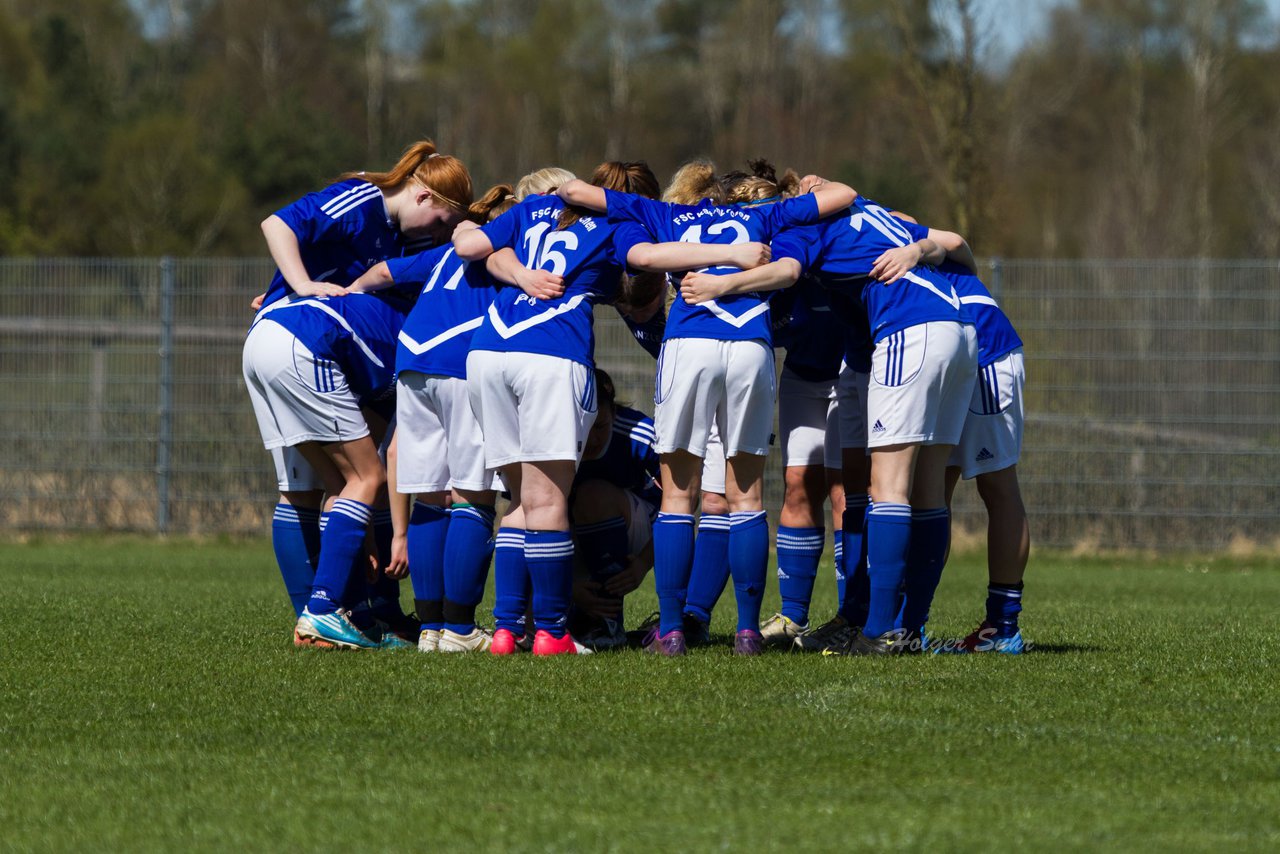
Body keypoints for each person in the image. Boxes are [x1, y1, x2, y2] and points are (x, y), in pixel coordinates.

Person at [458, 160, 771, 656]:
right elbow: (646, 257)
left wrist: (516, 271)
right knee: (557, 501)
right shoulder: (625, 225)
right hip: (555, 355)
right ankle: (556, 631)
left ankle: (506, 627)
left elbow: (471, 246)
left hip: (487, 353)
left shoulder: (533, 211)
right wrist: (732, 255)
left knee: (518, 499)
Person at [559, 160, 857, 655]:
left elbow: (580, 193)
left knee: (679, 497)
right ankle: (745, 632)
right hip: (749, 348)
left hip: (689, 344)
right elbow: (842, 193)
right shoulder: (766, 217)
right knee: (747, 497)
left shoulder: (667, 216)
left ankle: (673, 630)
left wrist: (555, 195)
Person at [680, 193, 977, 654]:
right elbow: (954, 244)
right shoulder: (874, 212)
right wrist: (917, 251)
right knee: (929, 487)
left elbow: (789, 271)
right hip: (960, 329)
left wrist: (721, 286)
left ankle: (880, 631)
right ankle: (909, 627)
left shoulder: (802, 224)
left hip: (908, 327)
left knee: (889, 487)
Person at [244, 139, 473, 649]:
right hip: (304, 339)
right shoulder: (362, 199)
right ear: (422, 197)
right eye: (439, 223)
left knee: (314, 487)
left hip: (273, 337)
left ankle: (318, 617)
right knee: (366, 476)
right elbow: (278, 225)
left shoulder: (400, 241)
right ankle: (329, 610)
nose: (435, 238)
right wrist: (298, 284)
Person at [345, 183, 517, 654]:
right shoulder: (510, 245)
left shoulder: (445, 252)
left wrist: (347, 295)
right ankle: (460, 629)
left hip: (412, 359)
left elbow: (381, 271)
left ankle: (430, 629)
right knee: (472, 495)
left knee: (430, 495)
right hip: (460, 361)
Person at [936, 260, 1029, 653]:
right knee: (929, 488)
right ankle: (908, 622)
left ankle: (1003, 627)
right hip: (945, 353)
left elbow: (955, 243)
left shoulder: (868, 223)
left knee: (998, 484)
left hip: (985, 353)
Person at [568, 369, 660, 650]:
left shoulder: (638, 431)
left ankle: (608, 624)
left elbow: (682, 502)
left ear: (614, 412)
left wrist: (644, 562)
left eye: (601, 426)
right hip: (571, 530)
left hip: (640, 530)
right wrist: (566, 582)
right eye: (585, 427)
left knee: (593, 495)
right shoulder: (553, 434)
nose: (593, 439)